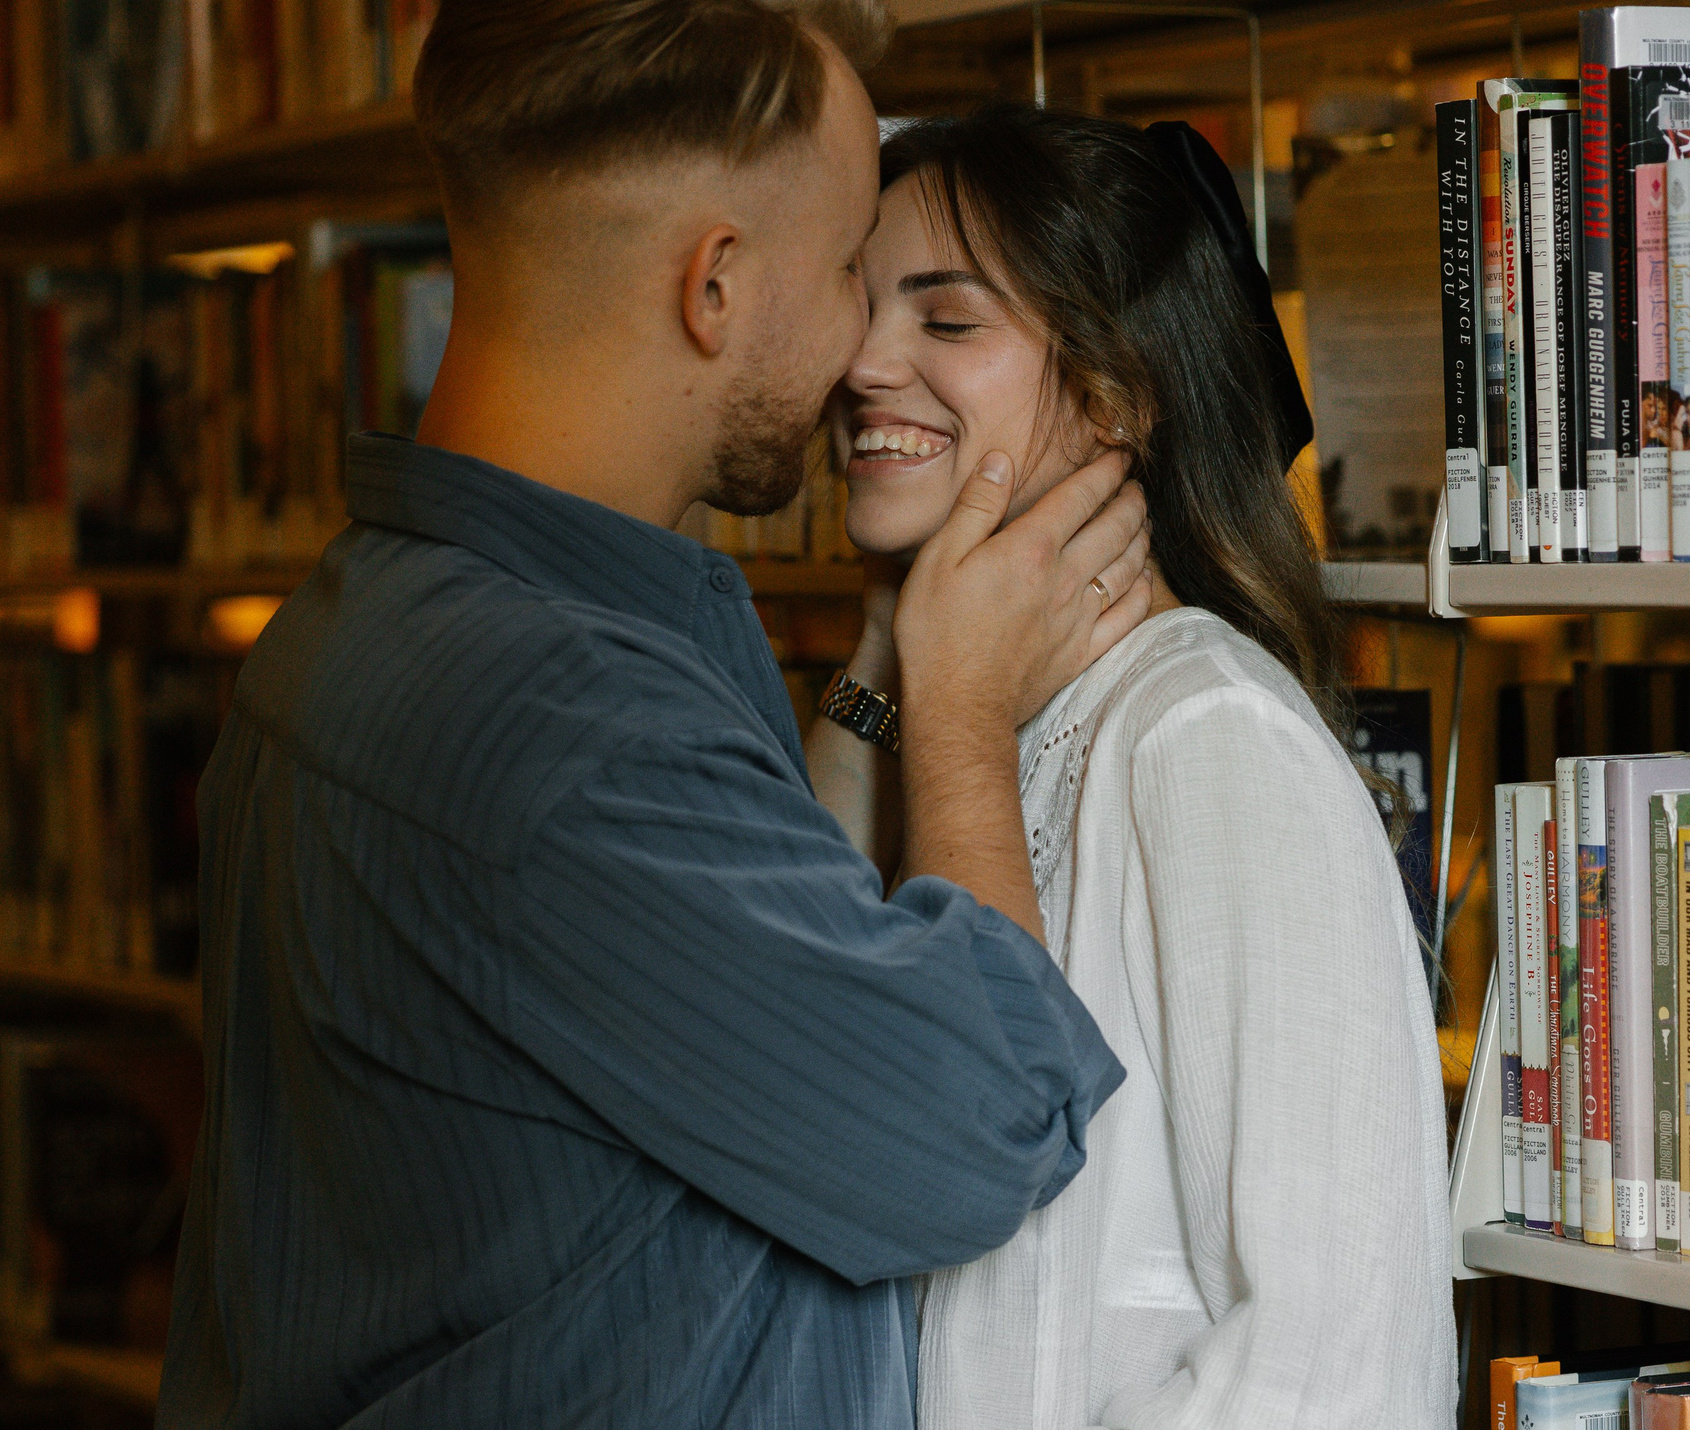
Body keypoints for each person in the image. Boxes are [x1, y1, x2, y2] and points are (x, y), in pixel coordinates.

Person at [158, 4, 1150, 1426]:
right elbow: (982, 1120)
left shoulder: (361, 626)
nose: (867, 354)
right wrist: (966, 701)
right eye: (850, 269)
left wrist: (881, 664)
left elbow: (706, 1000)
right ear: (719, 287)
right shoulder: (567, 727)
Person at [811, 105, 1455, 1430]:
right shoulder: (963, 720)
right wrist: (899, 643)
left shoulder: (1211, 739)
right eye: (855, 305)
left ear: (1115, 394)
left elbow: (1343, 1370)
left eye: (944, 321)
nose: (862, 362)